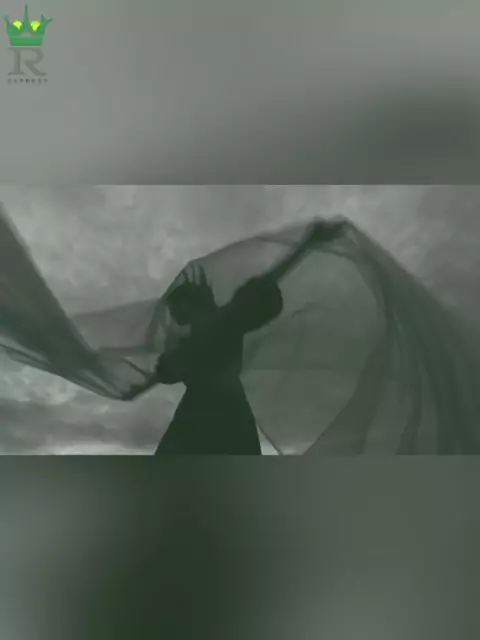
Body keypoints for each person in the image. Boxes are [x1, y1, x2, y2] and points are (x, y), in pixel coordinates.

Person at [121, 218, 347, 454]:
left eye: (175, 306)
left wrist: (306, 245)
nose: (172, 314)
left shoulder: (225, 322)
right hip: (198, 415)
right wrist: (138, 389)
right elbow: (166, 371)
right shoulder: (190, 340)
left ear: (190, 303)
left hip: (226, 415)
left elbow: (268, 280)